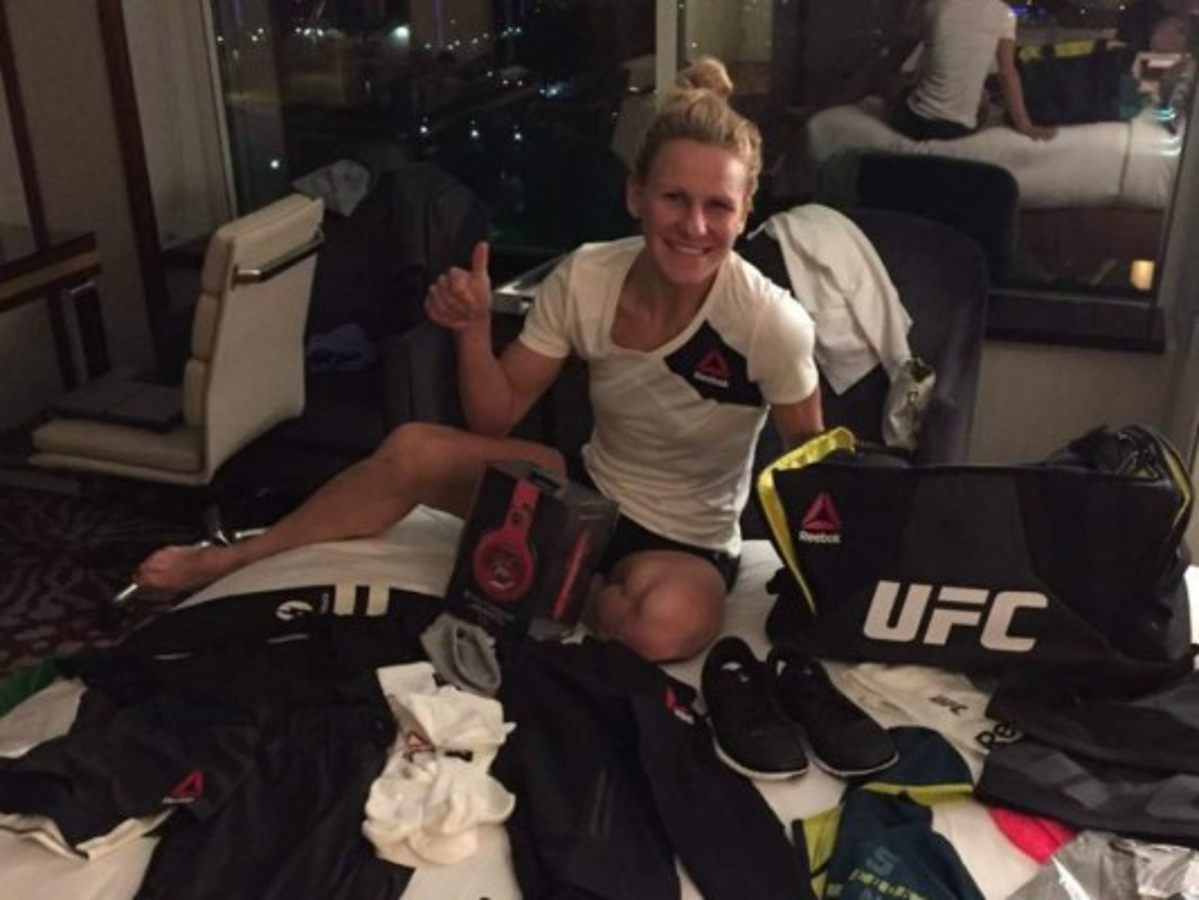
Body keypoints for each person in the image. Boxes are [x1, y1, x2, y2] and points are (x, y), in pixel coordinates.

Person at [134, 57, 824, 663]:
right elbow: (496, 417)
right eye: (674, 198)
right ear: (635, 195)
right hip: (583, 495)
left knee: (660, 627)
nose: (694, 226)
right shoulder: (586, 275)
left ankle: (573, 585)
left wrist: (825, 591)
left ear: (743, 213)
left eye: (717, 206)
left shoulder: (770, 323)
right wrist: (471, 329)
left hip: (684, 542)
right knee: (412, 448)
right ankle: (232, 557)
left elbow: (813, 470)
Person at [889, 0, 1057, 142]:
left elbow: (901, 50)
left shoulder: (934, 4)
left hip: (915, 122)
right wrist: (1025, 125)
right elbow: (1007, 73)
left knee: (896, 80)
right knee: (983, 96)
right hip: (959, 130)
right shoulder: (1005, 14)